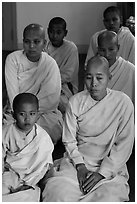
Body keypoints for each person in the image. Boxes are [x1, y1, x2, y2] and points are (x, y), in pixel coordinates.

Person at [42, 56, 134, 202]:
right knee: (57, 192)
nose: (93, 84)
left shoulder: (123, 103)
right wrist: (80, 166)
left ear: (109, 77)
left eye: (99, 78)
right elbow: (69, 139)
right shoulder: (75, 102)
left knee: (108, 197)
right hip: (78, 160)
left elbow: (124, 144)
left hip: (109, 165)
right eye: (89, 78)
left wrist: (102, 173)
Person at [4, 23, 63, 144]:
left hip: (41, 113)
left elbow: (51, 99)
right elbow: (12, 93)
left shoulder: (49, 64)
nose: (31, 46)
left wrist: (31, 115)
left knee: (53, 128)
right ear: (23, 42)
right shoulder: (12, 59)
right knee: (7, 128)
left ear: (44, 43)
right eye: (27, 42)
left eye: (36, 42)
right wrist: (22, 114)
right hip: (16, 112)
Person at [2, 93, 54, 202]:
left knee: (31, 195)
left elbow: (44, 164)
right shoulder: (6, 132)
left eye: (32, 114)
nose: (27, 119)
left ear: (38, 115)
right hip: (10, 174)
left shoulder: (42, 137)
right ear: (13, 114)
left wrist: (30, 182)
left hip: (32, 179)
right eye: (22, 114)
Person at [45, 17, 79, 114]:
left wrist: (49, 80)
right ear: (48, 31)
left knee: (67, 108)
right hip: (46, 84)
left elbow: (68, 75)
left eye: (58, 32)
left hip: (65, 88)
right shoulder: (44, 48)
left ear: (65, 33)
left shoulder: (71, 49)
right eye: (51, 32)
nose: (54, 36)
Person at [97, 30, 135, 104]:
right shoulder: (94, 70)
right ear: (98, 49)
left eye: (111, 49)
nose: (107, 54)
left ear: (118, 48)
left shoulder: (131, 71)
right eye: (102, 50)